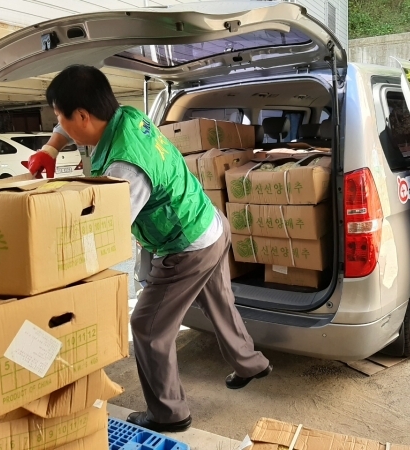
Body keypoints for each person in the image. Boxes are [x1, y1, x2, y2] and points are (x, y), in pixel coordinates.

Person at [29, 65, 271, 433]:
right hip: (209, 222)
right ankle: (251, 364)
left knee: (147, 327)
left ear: (83, 115)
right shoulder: (127, 116)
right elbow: (68, 125)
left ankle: (169, 414)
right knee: (219, 301)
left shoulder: (126, 167)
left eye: (59, 116)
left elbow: (108, 231)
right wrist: (50, 148)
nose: (58, 124)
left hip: (186, 245)